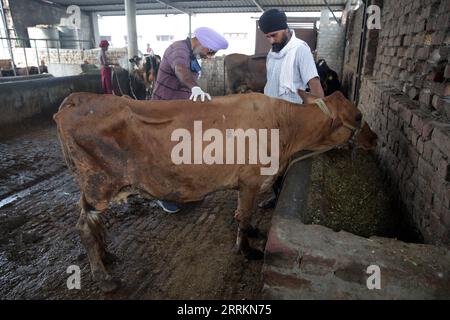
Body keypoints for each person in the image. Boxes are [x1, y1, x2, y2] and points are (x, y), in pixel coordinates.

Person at [152, 27, 228, 213]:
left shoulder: (193, 55)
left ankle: (182, 190)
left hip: (179, 113)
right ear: (202, 43)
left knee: (182, 153)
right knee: (164, 156)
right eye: (210, 51)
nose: (210, 56)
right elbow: (180, 69)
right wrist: (195, 88)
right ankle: (162, 195)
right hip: (163, 112)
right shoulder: (178, 49)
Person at [257, 9, 325, 209]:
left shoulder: (300, 50)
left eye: (274, 35)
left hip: (290, 118)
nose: (271, 40)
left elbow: (314, 85)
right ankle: (276, 196)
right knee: (271, 159)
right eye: (267, 37)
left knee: (286, 161)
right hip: (270, 115)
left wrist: (321, 113)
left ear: (285, 29)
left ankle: (287, 202)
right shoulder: (273, 52)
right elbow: (270, 83)